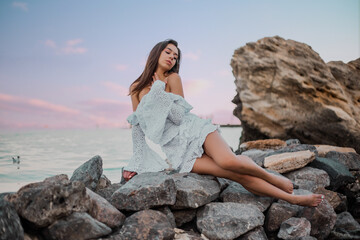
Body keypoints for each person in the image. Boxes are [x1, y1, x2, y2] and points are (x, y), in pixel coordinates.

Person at [124, 39, 323, 207]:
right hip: (177, 150)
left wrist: (160, 91)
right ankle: (292, 199)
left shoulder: (173, 78)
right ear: (156, 53)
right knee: (237, 175)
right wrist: (137, 162)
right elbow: (138, 126)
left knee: (228, 161)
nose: (172, 57)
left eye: (175, 56)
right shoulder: (136, 88)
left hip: (194, 131)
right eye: (168, 52)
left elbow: (178, 117)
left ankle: (272, 178)